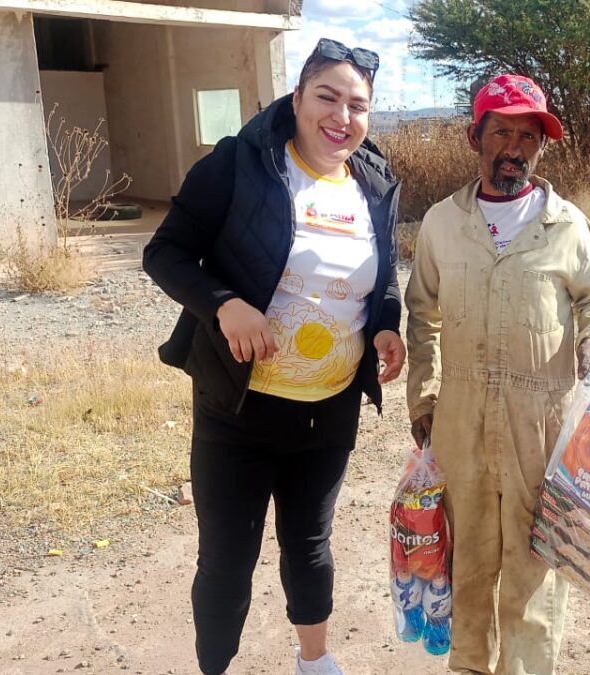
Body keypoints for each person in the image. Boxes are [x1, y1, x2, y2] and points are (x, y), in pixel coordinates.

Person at [143, 38, 404, 675]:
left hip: (329, 411)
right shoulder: (239, 163)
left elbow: (385, 278)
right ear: (297, 98)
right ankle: (215, 667)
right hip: (238, 410)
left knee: (310, 546)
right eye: (327, 97)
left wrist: (386, 326)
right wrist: (224, 304)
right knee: (227, 559)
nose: (342, 116)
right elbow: (165, 253)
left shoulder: (374, 183)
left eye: (358, 105)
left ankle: (314, 661)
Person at [405, 74, 590, 675]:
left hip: (540, 425)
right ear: (475, 137)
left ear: (541, 147)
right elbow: (421, 314)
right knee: (467, 561)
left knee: (536, 568)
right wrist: (423, 398)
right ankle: (469, 666)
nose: (515, 149)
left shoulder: (566, 224)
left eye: (529, 137)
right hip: (461, 423)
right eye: (502, 132)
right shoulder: (442, 223)